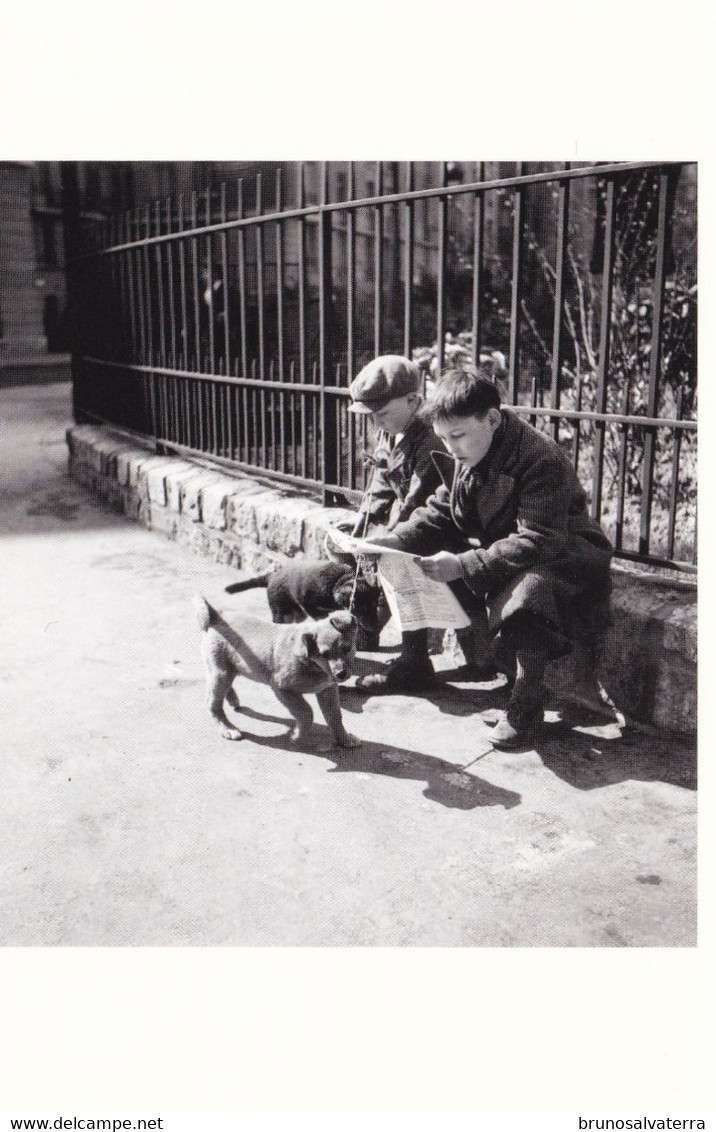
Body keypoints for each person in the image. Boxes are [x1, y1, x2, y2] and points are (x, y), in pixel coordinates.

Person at [362, 365, 614, 748]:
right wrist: (392, 542)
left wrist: (463, 564)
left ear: (492, 419)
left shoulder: (539, 457)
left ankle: (526, 710)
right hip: (510, 548)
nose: (450, 448)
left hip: (564, 556)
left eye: (458, 436)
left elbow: (539, 538)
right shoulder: (468, 452)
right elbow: (441, 511)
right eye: (444, 438)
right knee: (409, 554)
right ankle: (415, 663)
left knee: (528, 594)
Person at [343, 354, 449, 690]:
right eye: (371, 416)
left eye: (382, 414)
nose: (376, 423)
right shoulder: (393, 431)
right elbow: (381, 486)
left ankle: (414, 660)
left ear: (414, 401)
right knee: (352, 549)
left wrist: (384, 539)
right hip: (412, 524)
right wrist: (360, 528)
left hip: (438, 527)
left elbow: (418, 501)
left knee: (398, 560)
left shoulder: (431, 439)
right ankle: (368, 624)